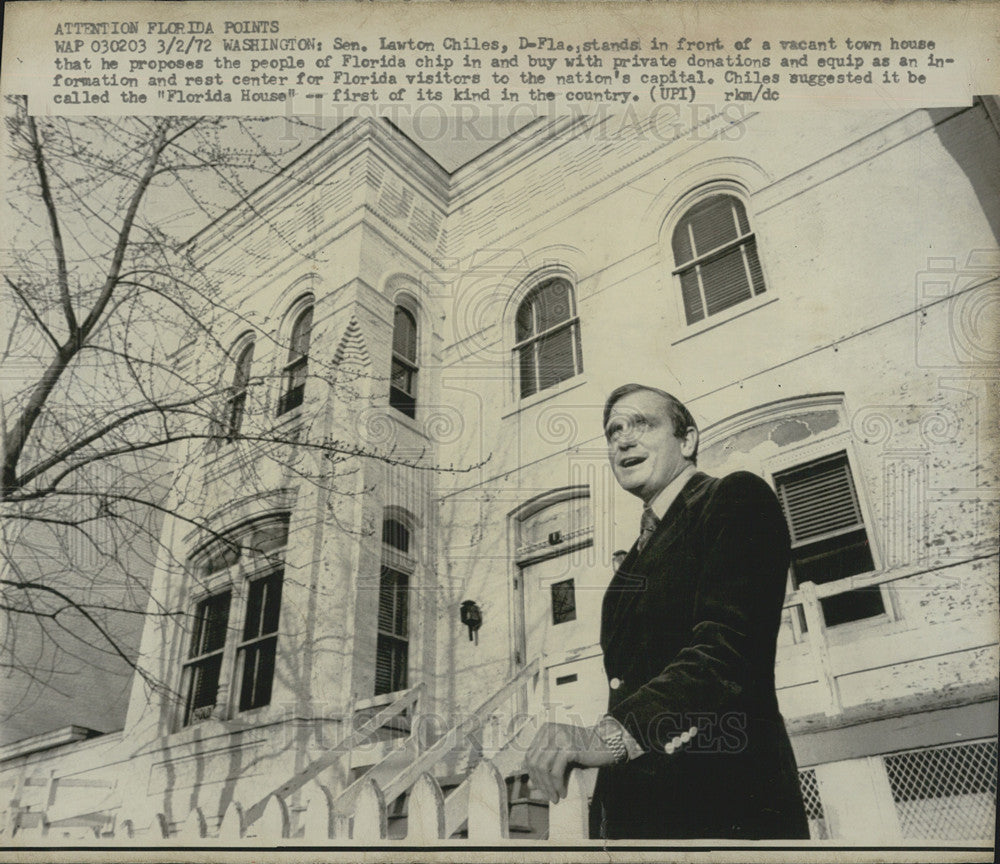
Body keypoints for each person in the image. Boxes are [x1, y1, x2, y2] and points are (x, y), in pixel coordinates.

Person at [524, 384, 809, 840]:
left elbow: (726, 647)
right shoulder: (630, 566)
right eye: (613, 431)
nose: (622, 440)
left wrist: (609, 736)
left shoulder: (732, 499)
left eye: (641, 424)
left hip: (722, 802)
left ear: (688, 439)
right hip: (640, 815)